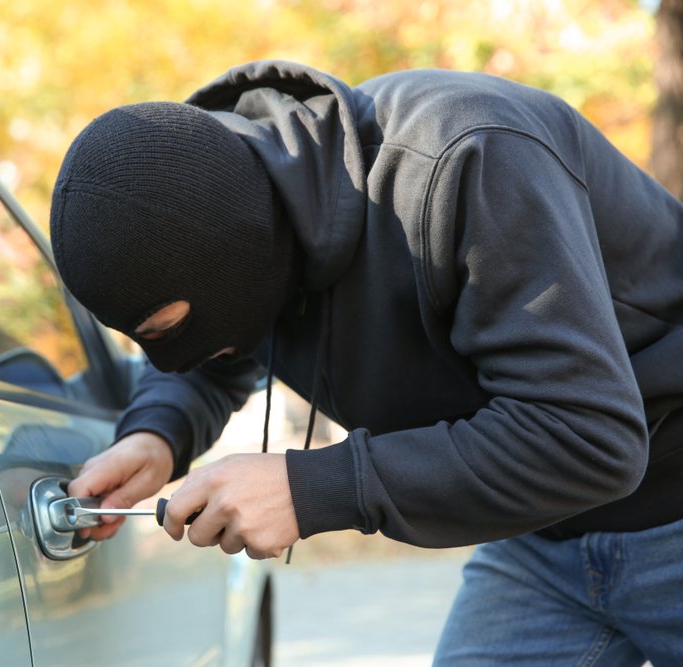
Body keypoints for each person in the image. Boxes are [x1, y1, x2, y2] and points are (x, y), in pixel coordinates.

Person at [49, 60, 683, 665]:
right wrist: (156, 432)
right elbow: (222, 346)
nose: (173, 357)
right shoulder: (244, 217)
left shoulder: (468, 157)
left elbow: (589, 437)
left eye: (170, 327)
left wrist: (312, 488)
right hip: (544, 540)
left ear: (238, 253)